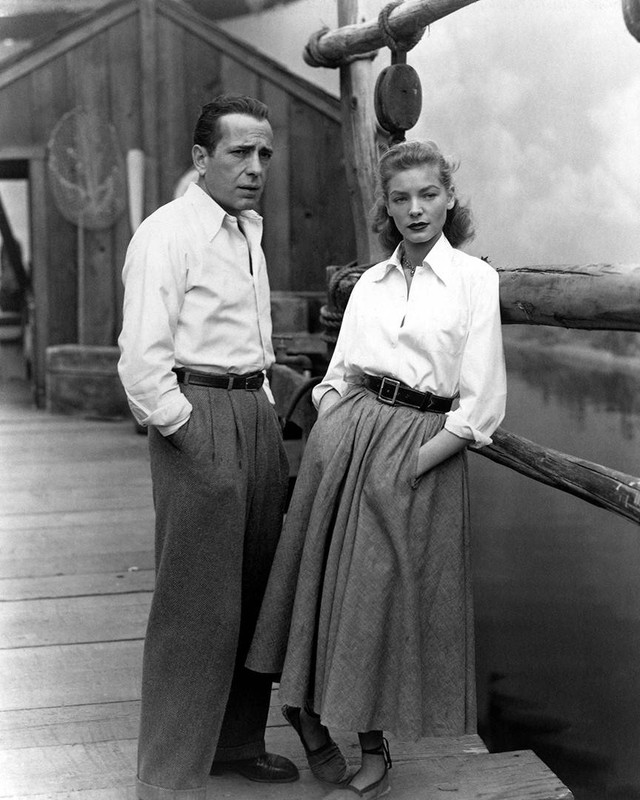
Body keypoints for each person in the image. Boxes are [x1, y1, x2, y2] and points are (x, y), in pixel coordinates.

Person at [246, 139, 507, 799]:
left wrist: (408, 466)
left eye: (428, 194)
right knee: (320, 581)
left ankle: (369, 742)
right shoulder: (371, 282)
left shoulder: (476, 281)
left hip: (421, 449)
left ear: (449, 196)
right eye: (401, 198)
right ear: (386, 209)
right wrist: (334, 431)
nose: (415, 209)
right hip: (349, 437)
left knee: (378, 595)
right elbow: (339, 375)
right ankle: (310, 715)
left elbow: (479, 410)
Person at [117, 93, 298, 800]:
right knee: (196, 605)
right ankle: (165, 776)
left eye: (264, 155)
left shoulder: (246, 229)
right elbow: (139, 359)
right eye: (239, 153)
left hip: (253, 414)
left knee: (253, 594)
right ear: (201, 158)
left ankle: (236, 746)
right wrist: (191, 434)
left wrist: (268, 412)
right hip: (199, 418)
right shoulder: (168, 232)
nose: (255, 168)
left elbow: (251, 336)